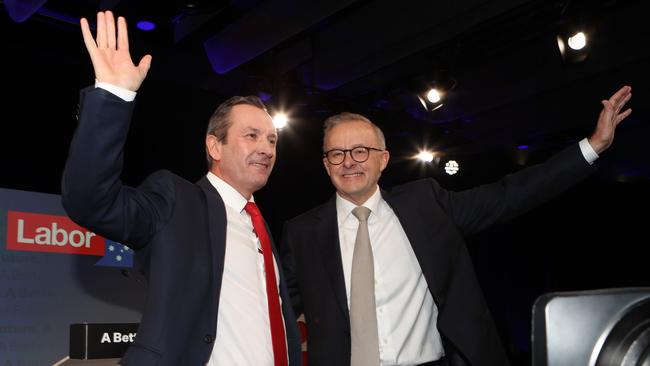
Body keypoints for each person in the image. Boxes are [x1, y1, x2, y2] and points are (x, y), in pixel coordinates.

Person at [280, 86, 632, 365]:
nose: (348, 162)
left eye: (360, 151)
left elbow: (508, 195)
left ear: (383, 159)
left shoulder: (425, 203)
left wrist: (592, 146)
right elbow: (277, 313)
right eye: (336, 154)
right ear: (326, 165)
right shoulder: (301, 234)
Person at [61, 11, 301, 366]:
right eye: (251, 136)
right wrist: (113, 95)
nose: (267, 148)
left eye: (271, 139)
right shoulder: (175, 200)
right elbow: (90, 200)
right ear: (214, 147)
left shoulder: (261, 225)